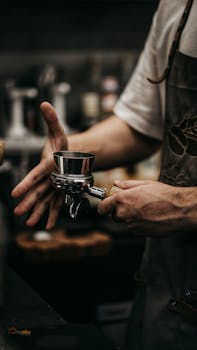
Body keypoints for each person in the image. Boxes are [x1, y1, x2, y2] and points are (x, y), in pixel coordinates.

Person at [11, 0, 197, 349]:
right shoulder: (177, 6)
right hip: (168, 291)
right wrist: (68, 154)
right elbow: (140, 125)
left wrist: (188, 206)